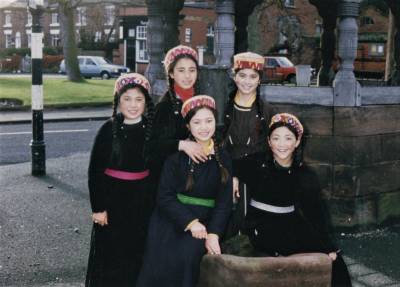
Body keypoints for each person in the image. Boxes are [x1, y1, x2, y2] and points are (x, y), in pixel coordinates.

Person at [235, 113, 352, 287]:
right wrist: (233, 178)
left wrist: (328, 247)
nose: (282, 144)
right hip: (259, 225)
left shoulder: (304, 174)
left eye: (288, 138)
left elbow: (316, 213)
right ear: (269, 141)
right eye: (276, 138)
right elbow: (229, 165)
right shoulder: (257, 163)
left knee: (336, 261)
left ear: (297, 142)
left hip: (289, 222)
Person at [137, 95, 233, 287]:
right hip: (171, 218)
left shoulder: (223, 157)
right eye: (197, 122)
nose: (204, 127)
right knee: (160, 262)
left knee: (187, 259)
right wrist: (190, 222)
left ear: (216, 122)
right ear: (188, 126)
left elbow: (224, 202)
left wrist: (214, 234)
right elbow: (164, 196)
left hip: (205, 222)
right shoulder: (176, 158)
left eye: (209, 121)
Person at [85, 73, 155, 287]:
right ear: (118, 101)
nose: (133, 105)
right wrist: (98, 208)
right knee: (112, 255)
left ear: (146, 102)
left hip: (141, 202)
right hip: (113, 202)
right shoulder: (108, 130)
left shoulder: (152, 131)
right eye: (127, 99)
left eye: (139, 99)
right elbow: (95, 171)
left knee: (136, 254)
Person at [222, 52, 276, 237]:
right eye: (242, 75)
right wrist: (230, 176)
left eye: (253, 76)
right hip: (223, 171)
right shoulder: (223, 106)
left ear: (260, 80)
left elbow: (266, 151)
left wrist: (238, 176)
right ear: (234, 75)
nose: (247, 81)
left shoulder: (267, 112)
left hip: (253, 175)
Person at [148, 45, 208, 185]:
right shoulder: (163, 107)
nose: (187, 76)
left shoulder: (204, 103)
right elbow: (151, 147)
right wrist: (181, 145)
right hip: (169, 182)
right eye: (181, 70)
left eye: (192, 70)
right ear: (171, 74)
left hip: (199, 181)